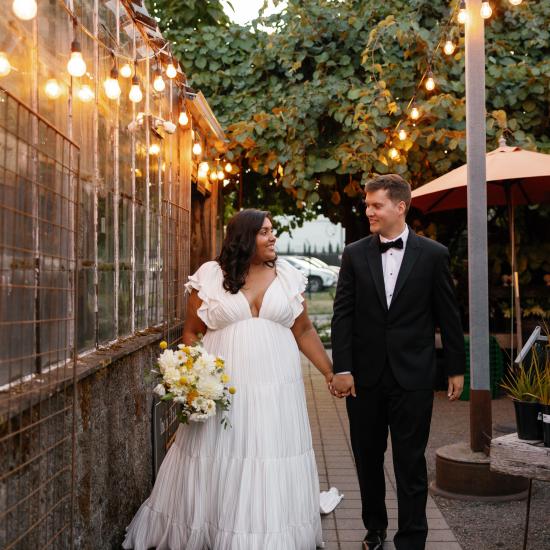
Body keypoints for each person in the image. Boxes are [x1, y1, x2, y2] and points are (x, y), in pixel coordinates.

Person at [123, 209, 333, 550]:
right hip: (225, 387)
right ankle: (215, 526)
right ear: (244, 238)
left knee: (269, 452)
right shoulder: (210, 276)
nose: (273, 237)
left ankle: (269, 532)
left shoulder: (288, 276)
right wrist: (195, 380)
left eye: (272, 230)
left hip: (277, 388)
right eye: (265, 232)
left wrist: (328, 372)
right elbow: (192, 332)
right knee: (221, 453)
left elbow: (304, 329)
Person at [330, 174, 465, 550]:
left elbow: (448, 315)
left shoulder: (434, 254)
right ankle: (374, 528)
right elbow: (343, 315)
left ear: (400, 206)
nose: (368, 211)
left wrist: (455, 367)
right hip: (365, 378)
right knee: (368, 459)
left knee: (410, 462)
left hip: (414, 377)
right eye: (368, 204)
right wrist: (342, 368)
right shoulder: (354, 254)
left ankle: (413, 538)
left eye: (376, 205)